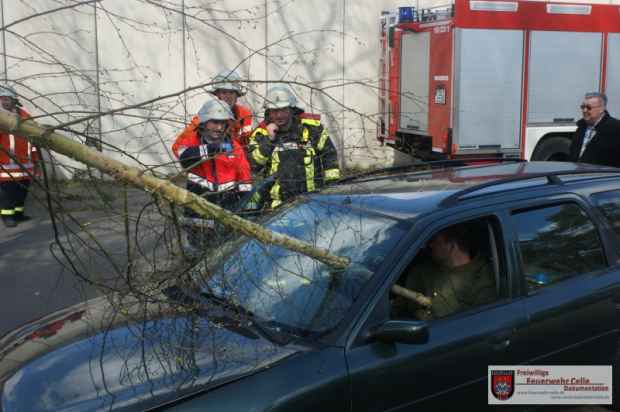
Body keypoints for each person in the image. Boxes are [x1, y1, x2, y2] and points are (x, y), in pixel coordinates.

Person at [171, 96, 252, 251]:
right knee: (197, 252)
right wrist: (210, 150)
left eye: (223, 123)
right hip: (197, 206)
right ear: (204, 122)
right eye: (215, 122)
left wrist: (242, 204)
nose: (219, 127)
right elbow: (184, 156)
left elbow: (245, 177)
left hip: (228, 206)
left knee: (226, 252)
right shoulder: (192, 140)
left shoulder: (233, 146)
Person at [248, 85, 340, 209]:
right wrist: (269, 141)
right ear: (268, 112)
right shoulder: (261, 134)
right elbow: (253, 165)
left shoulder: (312, 128)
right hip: (278, 206)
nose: (279, 115)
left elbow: (330, 157)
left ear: (291, 109)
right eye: (275, 111)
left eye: (283, 110)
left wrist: (332, 189)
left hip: (313, 201)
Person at [403, 224, 496, 319]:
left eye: (434, 240)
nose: (429, 245)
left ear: (451, 244)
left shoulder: (482, 278)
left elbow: (476, 322)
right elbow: (403, 306)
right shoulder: (422, 270)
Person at [0, 85, 39, 228]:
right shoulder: (1, 117)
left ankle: (18, 214)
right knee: (7, 194)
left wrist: (35, 161)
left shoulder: (24, 116)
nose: (4, 102)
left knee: (21, 193)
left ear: (14, 100)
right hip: (5, 165)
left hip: (25, 165)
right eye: (1, 99)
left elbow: (33, 140)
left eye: (7, 99)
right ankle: (7, 216)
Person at [568, 92, 620, 168]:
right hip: (577, 174)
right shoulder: (581, 127)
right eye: (582, 107)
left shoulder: (615, 128)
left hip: (601, 176)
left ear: (601, 109)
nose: (584, 110)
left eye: (589, 107)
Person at [209, 69, 253, 147]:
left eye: (231, 92)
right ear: (218, 95)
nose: (228, 96)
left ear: (237, 95)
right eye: (224, 92)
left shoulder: (245, 115)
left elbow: (247, 143)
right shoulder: (206, 115)